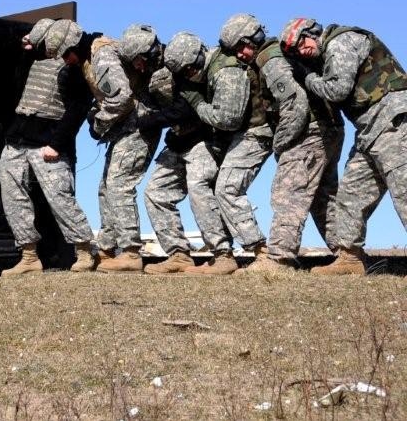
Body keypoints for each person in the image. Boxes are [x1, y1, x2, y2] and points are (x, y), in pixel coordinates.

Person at [279, 18, 407, 274]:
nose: (301, 50)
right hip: (370, 131)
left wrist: (308, 77)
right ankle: (350, 258)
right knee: (350, 195)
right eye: (294, 51)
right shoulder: (328, 53)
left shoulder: (340, 42)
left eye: (301, 42)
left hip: (393, 122)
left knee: (404, 191)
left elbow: (337, 90)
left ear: (313, 32)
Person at [239, 29, 344, 272]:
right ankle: (348, 253)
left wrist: (282, 143)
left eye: (239, 47)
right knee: (323, 198)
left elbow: (295, 103)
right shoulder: (279, 55)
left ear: (249, 41)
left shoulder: (270, 59)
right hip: (328, 129)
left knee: (287, 193)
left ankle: (279, 258)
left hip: (310, 132)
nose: (238, 54)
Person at [178, 14, 274, 274]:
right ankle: (222, 254)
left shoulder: (226, 71)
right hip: (242, 134)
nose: (242, 54)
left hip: (257, 132)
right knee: (201, 182)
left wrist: (198, 104)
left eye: (189, 69)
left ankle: (262, 253)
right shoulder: (218, 64)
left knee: (227, 188)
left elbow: (227, 119)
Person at [0, 18, 94, 276]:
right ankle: (28, 257)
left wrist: (56, 143)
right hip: (16, 141)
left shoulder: (71, 66)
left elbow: (77, 110)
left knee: (60, 198)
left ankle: (84, 251)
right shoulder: (31, 59)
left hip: (46, 143)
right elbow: (12, 83)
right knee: (13, 198)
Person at [143, 32, 233, 274]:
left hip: (203, 140)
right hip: (177, 142)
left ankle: (222, 253)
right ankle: (178, 254)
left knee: (198, 187)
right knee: (155, 192)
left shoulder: (197, 70)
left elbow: (185, 110)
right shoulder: (169, 71)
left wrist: (149, 121)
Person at [84, 24, 168, 273]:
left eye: (142, 61)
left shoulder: (165, 66)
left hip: (140, 129)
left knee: (120, 185)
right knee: (106, 187)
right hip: (126, 129)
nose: (140, 67)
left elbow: (122, 99)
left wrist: (99, 123)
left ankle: (130, 252)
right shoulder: (115, 55)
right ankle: (108, 249)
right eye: (136, 63)